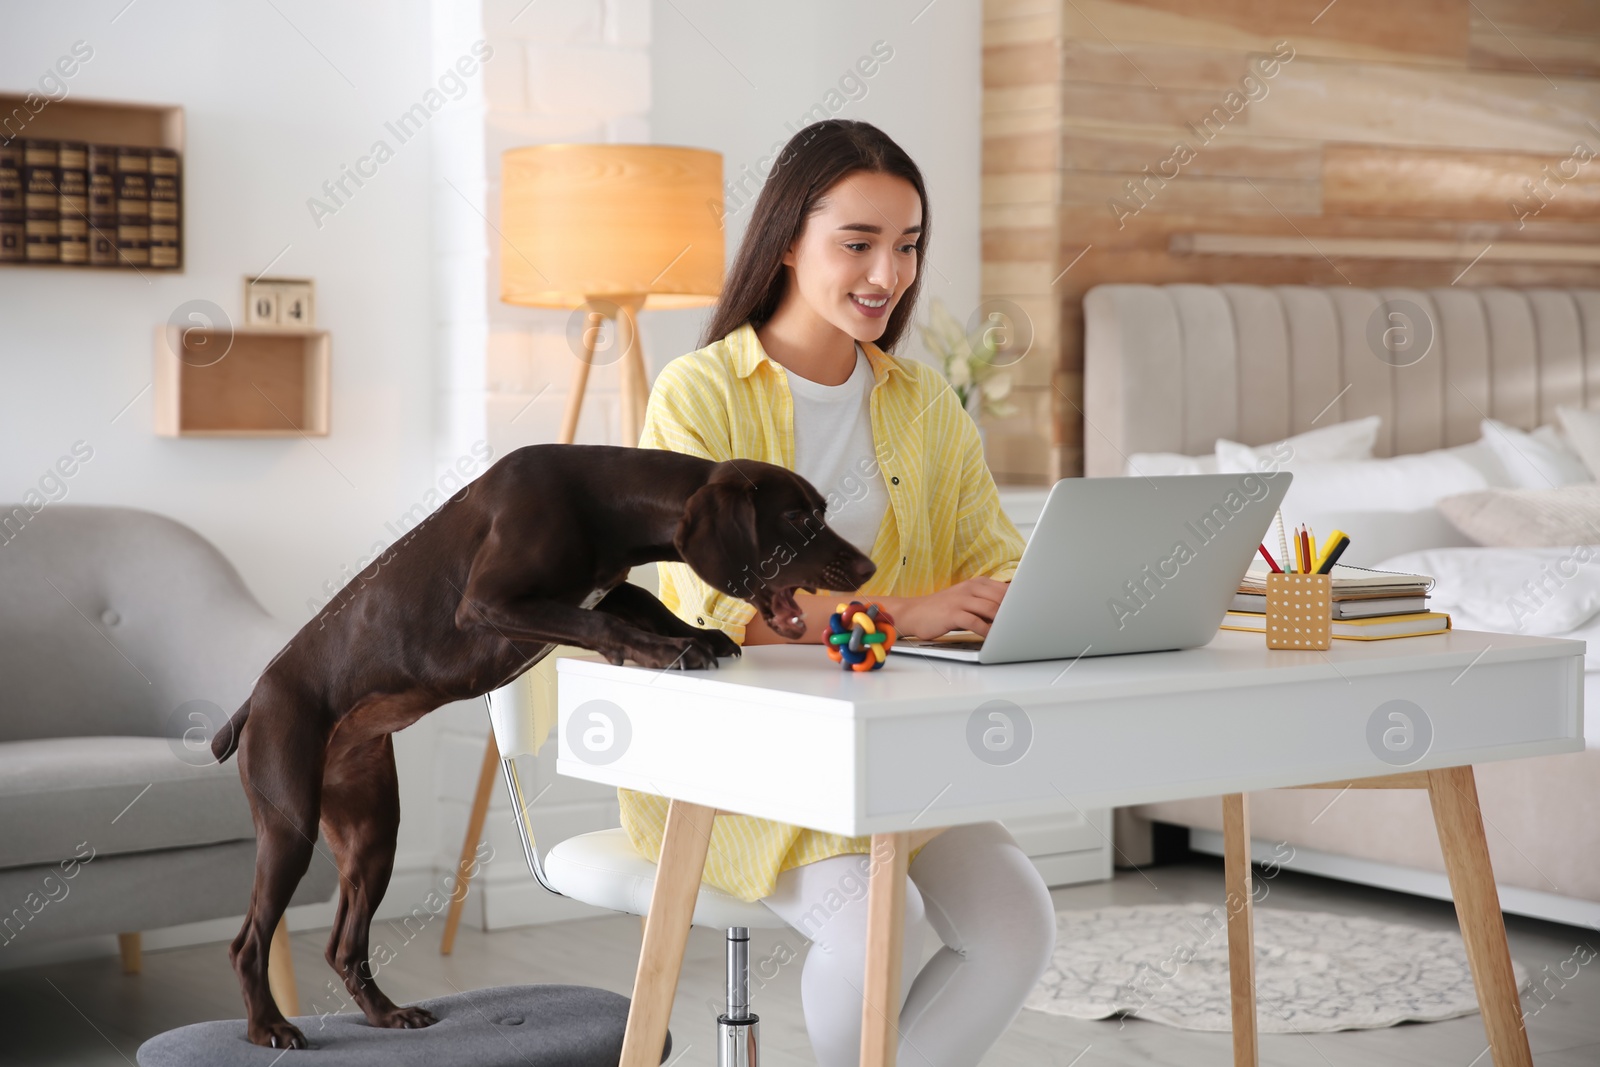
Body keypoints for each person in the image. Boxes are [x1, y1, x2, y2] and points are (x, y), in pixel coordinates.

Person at [620, 119, 1056, 1067]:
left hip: (889, 743)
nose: (887, 275)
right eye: (857, 244)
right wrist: (904, 615)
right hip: (740, 752)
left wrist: (1050, 592)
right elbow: (716, 609)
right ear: (785, 238)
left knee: (1017, 923)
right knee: (876, 920)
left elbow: (993, 555)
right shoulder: (700, 393)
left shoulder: (923, 401)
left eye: (907, 247)